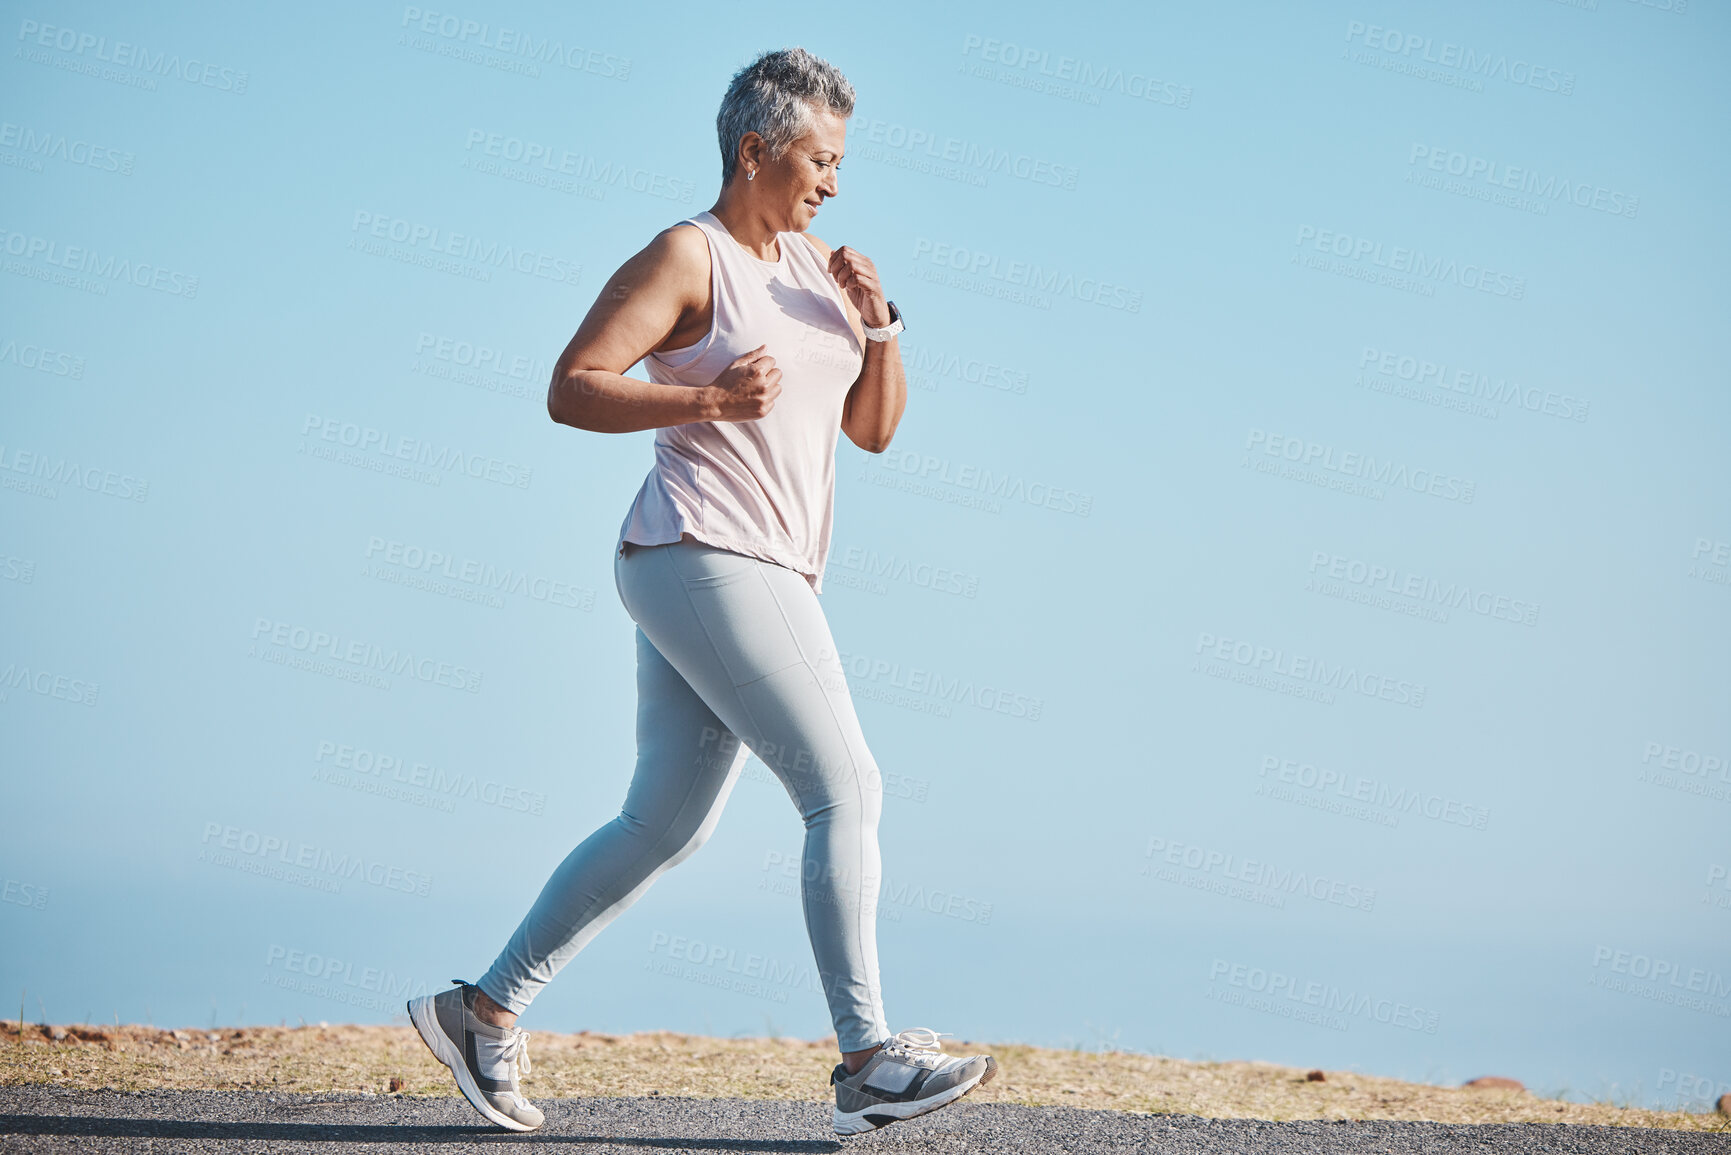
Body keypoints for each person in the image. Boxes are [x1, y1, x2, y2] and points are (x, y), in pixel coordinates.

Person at [407, 46, 996, 1137]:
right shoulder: (691, 254)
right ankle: (867, 1058)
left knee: (663, 821)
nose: (833, 181)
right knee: (846, 788)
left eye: (842, 162)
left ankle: (481, 1011)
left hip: (760, 564)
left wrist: (883, 327)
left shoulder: (821, 269)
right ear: (755, 150)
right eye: (821, 159)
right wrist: (709, 401)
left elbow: (872, 430)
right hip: (701, 548)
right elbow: (571, 387)